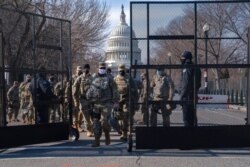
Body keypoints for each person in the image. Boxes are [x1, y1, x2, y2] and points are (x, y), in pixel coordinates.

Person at [86, 62, 119, 147]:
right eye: (101, 68)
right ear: (98, 68)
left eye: (104, 68)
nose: (102, 69)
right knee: (96, 122)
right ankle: (97, 140)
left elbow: (115, 90)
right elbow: (90, 89)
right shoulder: (93, 78)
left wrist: (116, 102)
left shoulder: (109, 78)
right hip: (96, 104)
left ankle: (107, 134)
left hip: (106, 103)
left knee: (104, 121)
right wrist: (88, 99)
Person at [114, 64, 138, 141]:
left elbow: (135, 91)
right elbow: (113, 91)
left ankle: (125, 133)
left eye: (122, 71)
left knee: (126, 116)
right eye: (120, 71)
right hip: (118, 101)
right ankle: (122, 131)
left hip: (127, 100)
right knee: (119, 117)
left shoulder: (129, 79)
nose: (121, 72)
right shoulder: (115, 79)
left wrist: (136, 102)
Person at [179, 51, 201, 127]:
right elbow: (198, 84)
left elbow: (186, 83)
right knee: (193, 118)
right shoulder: (196, 67)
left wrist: (182, 98)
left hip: (187, 97)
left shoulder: (186, 67)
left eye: (182, 58)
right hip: (193, 95)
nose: (181, 59)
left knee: (186, 119)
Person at [73, 63, 93, 137]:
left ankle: (91, 128)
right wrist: (75, 101)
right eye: (85, 69)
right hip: (83, 100)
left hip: (92, 100)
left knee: (93, 117)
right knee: (86, 116)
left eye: (87, 68)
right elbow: (74, 89)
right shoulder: (80, 78)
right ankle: (89, 130)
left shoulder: (93, 78)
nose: (86, 70)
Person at [72, 65, 84, 132]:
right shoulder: (73, 77)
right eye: (78, 70)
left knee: (81, 110)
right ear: (76, 71)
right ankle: (75, 124)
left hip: (81, 96)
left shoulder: (83, 77)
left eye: (80, 70)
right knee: (75, 111)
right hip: (74, 97)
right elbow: (70, 86)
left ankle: (79, 124)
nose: (79, 71)